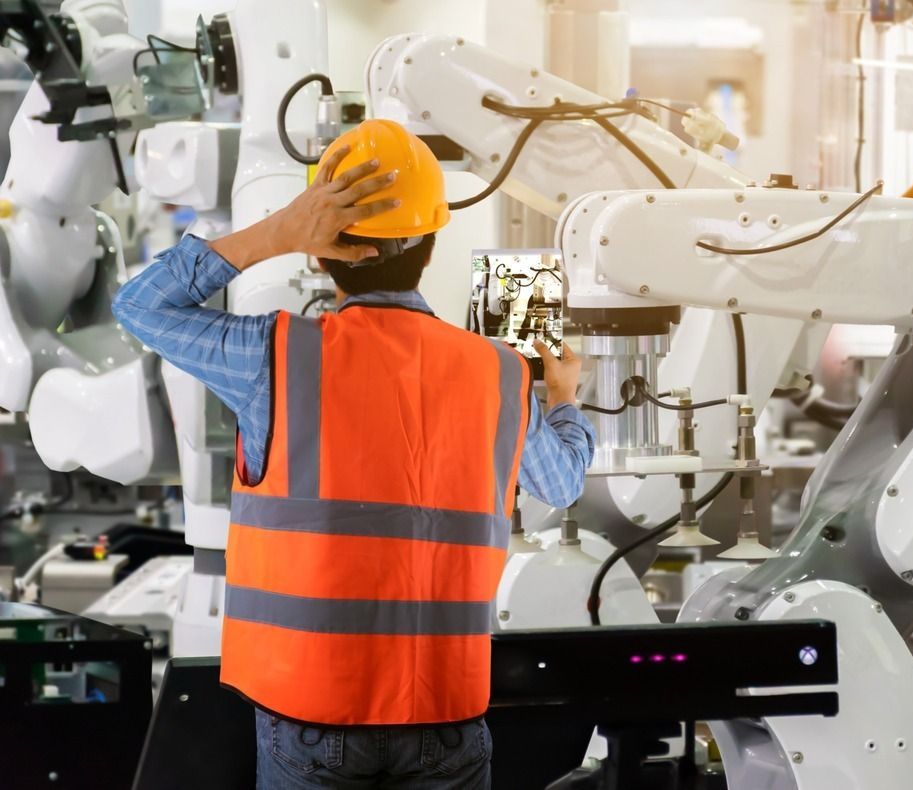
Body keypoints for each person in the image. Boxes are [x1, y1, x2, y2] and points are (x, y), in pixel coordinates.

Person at [113, 119, 595, 789]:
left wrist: (274, 232)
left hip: (311, 714)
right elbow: (563, 483)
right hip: (445, 713)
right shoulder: (501, 372)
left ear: (320, 252)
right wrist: (564, 399)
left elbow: (138, 306)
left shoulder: (275, 356)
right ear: (430, 240)